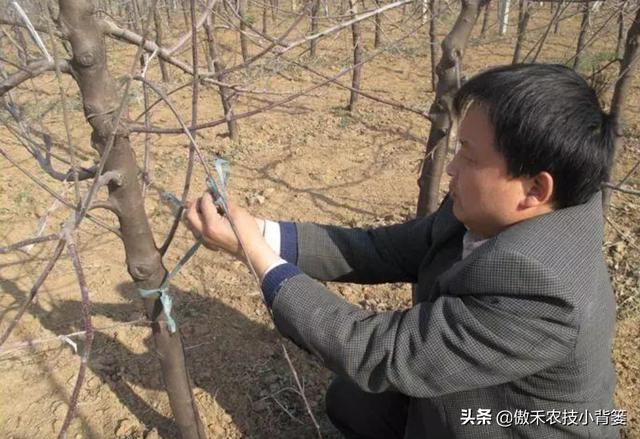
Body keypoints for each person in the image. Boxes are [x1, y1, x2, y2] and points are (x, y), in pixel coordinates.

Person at [184, 64, 620, 438]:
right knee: (352, 402)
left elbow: (382, 352)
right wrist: (259, 231)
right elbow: (383, 250)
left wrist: (258, 258)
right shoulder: (493, 211)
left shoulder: (546, 292)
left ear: (534, 188)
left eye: (468, 156)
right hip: (469, 390)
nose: (450, 167)